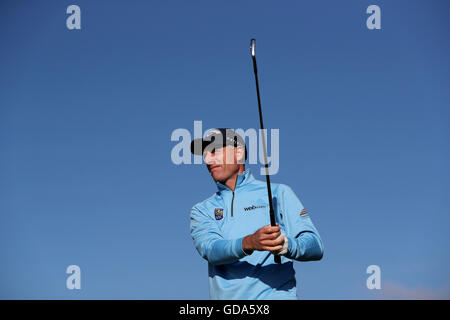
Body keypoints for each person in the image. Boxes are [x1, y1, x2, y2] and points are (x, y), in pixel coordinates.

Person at [189, 128, 324, 300]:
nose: (208, 159)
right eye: (205, 154)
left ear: (238, 153)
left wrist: (287, 245)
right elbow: (210, 249)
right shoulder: (202, 209)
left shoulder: (279, 192)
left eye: (215, 150)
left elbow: (315, 246)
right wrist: (249, 242)